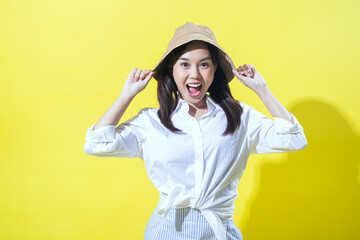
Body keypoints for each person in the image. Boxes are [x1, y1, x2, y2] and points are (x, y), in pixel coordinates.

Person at [84, 22, 307, 240]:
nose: (194, 75)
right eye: (184, 64)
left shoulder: (239, 117)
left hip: (218, 230)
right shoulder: (151, 122)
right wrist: (127, 95)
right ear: (172, 69)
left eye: (204, 64)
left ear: (214, 69)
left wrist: (262, 90)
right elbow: (96, 143)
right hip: (166, 232)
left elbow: (294, 139)